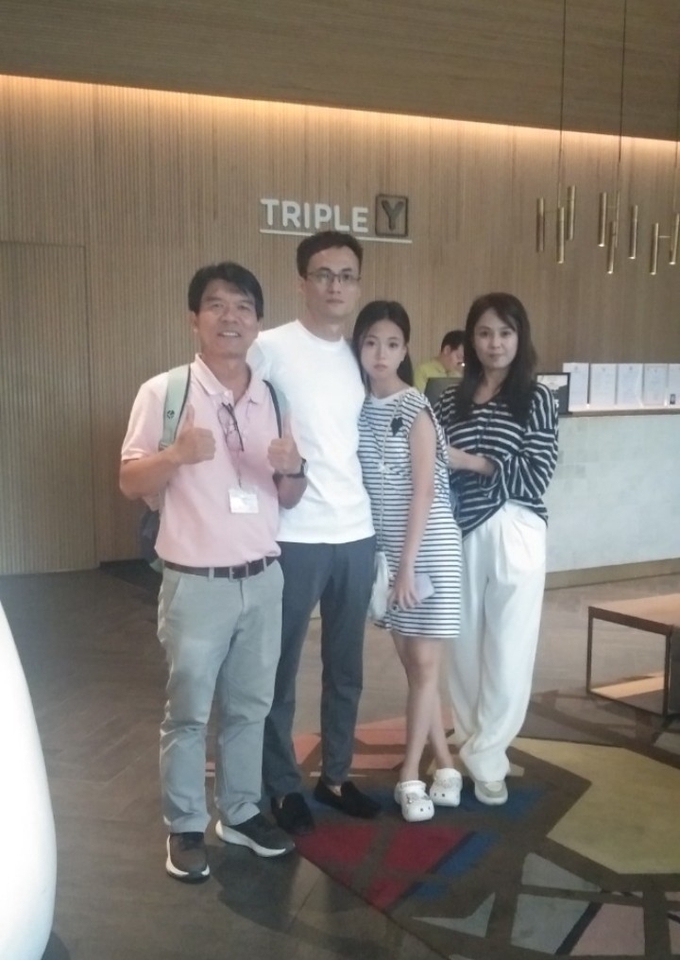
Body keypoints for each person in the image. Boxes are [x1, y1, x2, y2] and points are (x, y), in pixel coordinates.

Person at [120, 261, 307, 882]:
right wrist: (176, 454)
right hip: (196, 584)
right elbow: (130, 480)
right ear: (194, 319)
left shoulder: (274, 396)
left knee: (251, 707)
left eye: (244, 307)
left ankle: (242, 812)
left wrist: (291, 470)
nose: (232, 317)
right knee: (190, 711)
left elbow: (289, 496)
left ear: (258, 321)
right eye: (218, 305)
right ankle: (184, 825)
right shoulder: (165, 392)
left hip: (264, 577)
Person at [249, 230, 380, 836]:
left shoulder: (361, 357)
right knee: (279, 668)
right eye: (324, 274)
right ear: (301, 282)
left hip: (356, 531)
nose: (335, 286)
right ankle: (281, 784)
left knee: (346, 668)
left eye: (346, 276)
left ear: (357, 285)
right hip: (294, 533)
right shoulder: (270, 348)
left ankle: (336, 775)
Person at [434, 292, 558, 806]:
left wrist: (472, 462)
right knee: (462, 648)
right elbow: (433, 467)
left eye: (505, 333)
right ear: (471, 339)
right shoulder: (448, 400)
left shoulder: (537, 397)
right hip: (460, 530)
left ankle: (487, 756)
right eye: (484, 333)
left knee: (509, 648)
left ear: (519, 337)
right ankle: (472, 741)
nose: (494, 343)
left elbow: (537, 474)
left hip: (516, 527)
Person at [352, 301, 463, 822]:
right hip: (389, 549)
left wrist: (406, 567)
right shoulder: (359, 406)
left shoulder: (415, 406)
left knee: (423, 666)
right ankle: (446, 766)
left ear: (405, 350)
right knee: (416, 668)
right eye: (372, 342)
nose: (381, 353)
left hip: (428, 549)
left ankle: (410, 775)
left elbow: (424, 491)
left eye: (392, 344)